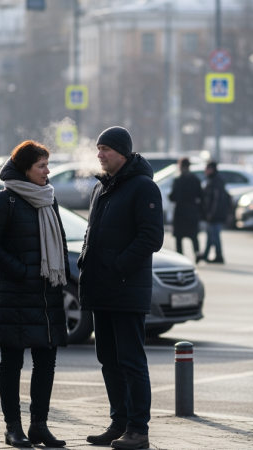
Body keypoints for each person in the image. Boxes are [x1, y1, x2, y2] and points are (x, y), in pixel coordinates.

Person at [0, 140, 70, 448]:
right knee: (12, 361)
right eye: (41, 166)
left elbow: (59, 239)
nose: (48, 171)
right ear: (25, 169)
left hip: (47, 295)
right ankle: (12, 427)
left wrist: (59, 274)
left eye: (47, 164)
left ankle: (39, 426)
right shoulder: (4, 201)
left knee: (46, 362)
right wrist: (21, 270)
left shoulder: (48, 199)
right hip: (14, 293)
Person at [78, 126, 164, 450]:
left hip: (125, 288)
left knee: (131, 360)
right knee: (108, 359)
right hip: (102, 289)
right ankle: (119, 423)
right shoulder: (102, 189)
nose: (99, 155)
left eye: (106, 150)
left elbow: (152, 237)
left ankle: (138, 430)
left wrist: (118, 267)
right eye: (98, 149)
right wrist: (86, 260)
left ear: (123, 153)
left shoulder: (143, 187)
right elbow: (92, 233)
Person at [168, 157, 203, 262]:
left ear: (181, 166)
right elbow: (201, 196)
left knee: (179, 237)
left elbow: (172, 196)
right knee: (193, 235)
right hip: (192, 211)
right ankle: (197, 253)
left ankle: (180, 257)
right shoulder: (195, 180)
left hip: (180, 211)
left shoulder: (178, 180)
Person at [200, 160, 229, 264]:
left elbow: (217, 200)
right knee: (211, 235)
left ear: (211, 169)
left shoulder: (216, 181)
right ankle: (207, 255)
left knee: (214, 235)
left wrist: (211, 214)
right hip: (215, 214)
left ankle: (218, 256)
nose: (205, 171)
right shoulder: (213, 180)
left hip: (216, 214)